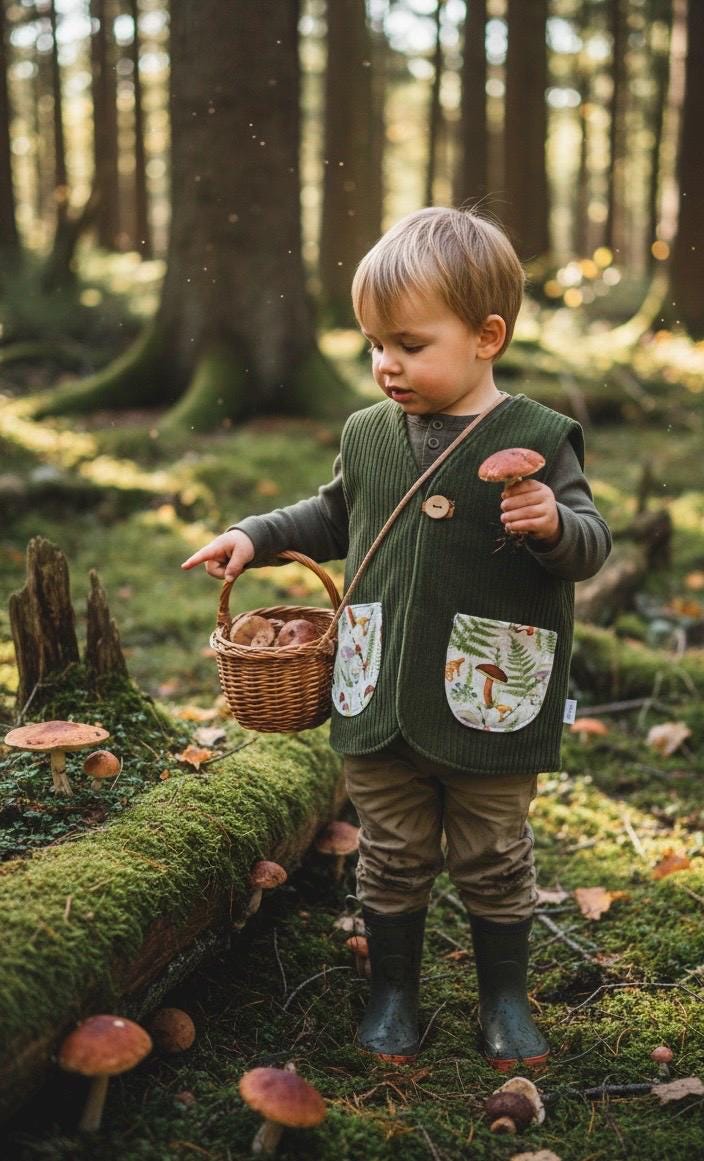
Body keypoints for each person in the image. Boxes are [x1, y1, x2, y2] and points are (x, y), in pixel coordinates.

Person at [181, 207, 611, 1071]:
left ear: (487, 336)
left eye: (410, 344)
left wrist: (553, 524)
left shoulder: (537, 437)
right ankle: (393, 992)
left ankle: (505, 1001)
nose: (387, 365)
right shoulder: (368, 434)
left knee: (493, 851)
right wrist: (257, 536)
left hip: (494, 689)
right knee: (390, 849)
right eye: (373, 344)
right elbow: (335, 513)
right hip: (377, 691)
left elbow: (591, 545)